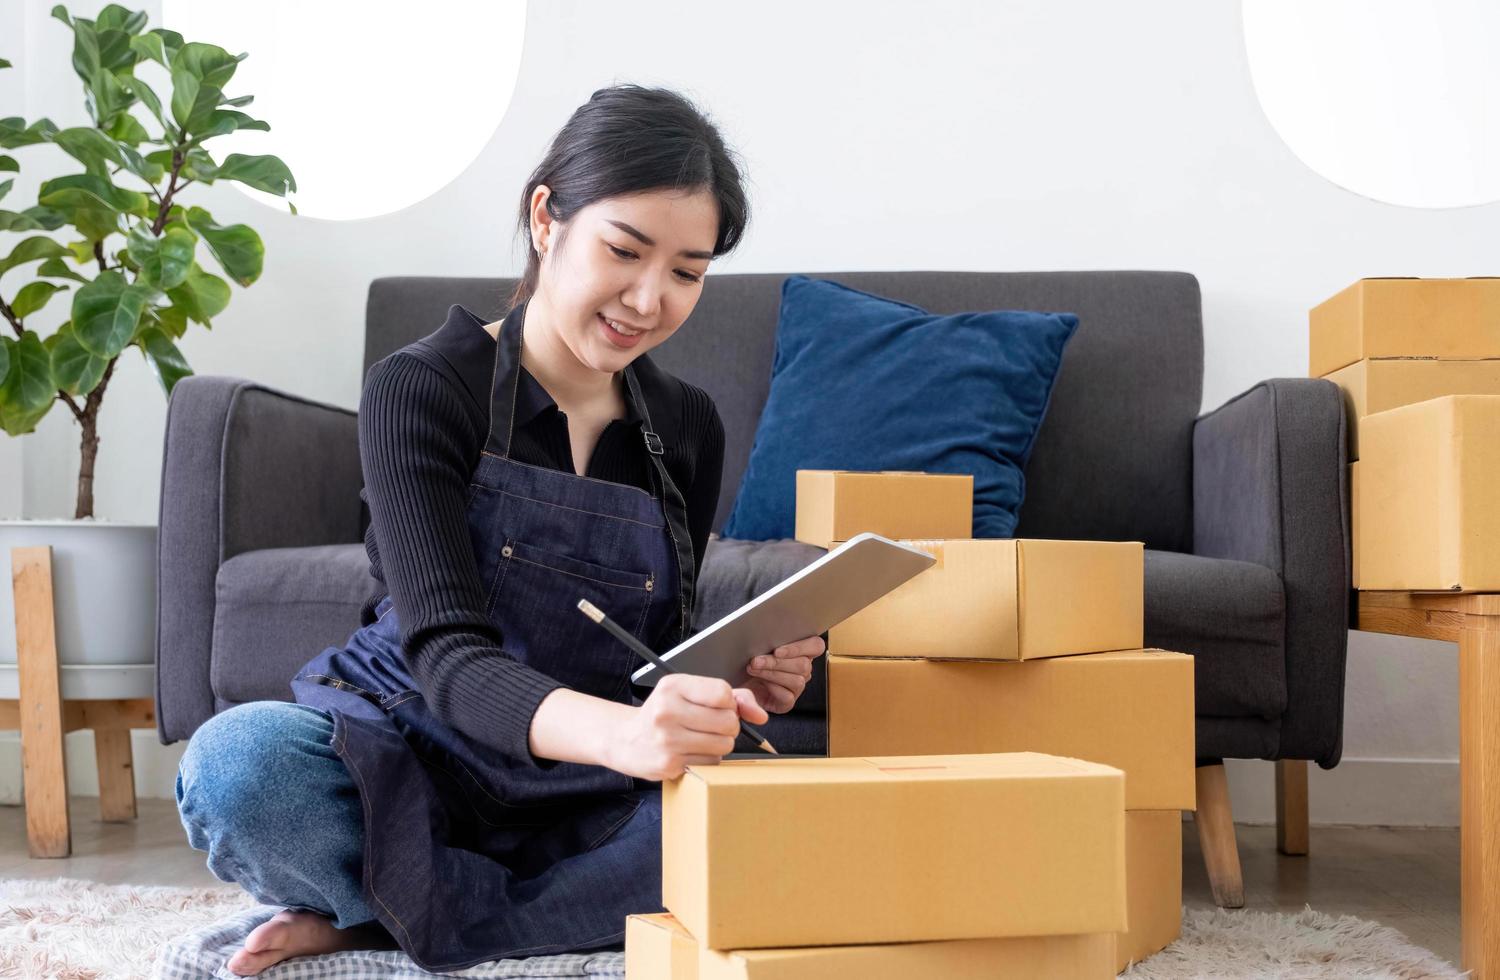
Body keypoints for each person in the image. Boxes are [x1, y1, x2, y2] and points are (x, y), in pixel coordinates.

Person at [174, 84, 826, 976]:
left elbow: (654, 651)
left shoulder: (688, 425)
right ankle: (491, 910)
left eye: (686, 272)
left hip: (587, 788)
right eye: (625, 251)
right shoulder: (422, 389)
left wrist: (732, 675)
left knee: (795, 814)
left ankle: (383, 916)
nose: (648, 298)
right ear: (547, 218)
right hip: (411, 750)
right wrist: (631, 737)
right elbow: (447, 657)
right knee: (240, 769)